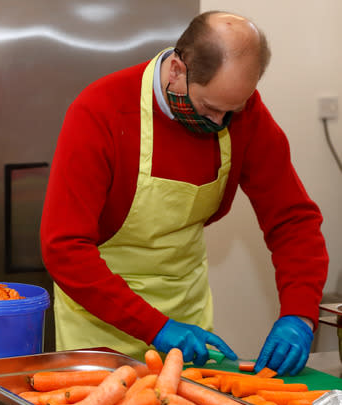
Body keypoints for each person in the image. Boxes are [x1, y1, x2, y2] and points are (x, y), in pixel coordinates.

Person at [40, 11, 328, 376]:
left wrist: (299, 313)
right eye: (210, 108)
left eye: (232, 111)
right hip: (101, 324)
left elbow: (293, 219)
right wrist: (155, 327)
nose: (220, 123)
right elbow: (63, 247)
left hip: (187, 319)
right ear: (177, 69)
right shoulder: (101, 111)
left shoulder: (245, 115)